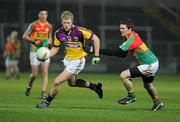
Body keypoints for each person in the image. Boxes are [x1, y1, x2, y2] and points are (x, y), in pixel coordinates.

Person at [36, 10, 103, 109]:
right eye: (64, 22)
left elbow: (96, 39)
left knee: (57, 81)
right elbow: (55, 49)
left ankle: (46, 102)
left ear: (72, 22)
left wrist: (96, 55)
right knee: (72, 83)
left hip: (78, 61)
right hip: (67, 59)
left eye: (68, 23)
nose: (66, 25)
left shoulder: (80, 31)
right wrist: (46, 55)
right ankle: (95, 87)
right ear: (61, 22)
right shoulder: (58, 33)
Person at [100, 18, 163, 111]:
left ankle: (131, 96)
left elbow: (113, 51)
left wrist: (95, 50)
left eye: (123, 28)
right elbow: (123, 54)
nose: (120, 30)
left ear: (130, 29)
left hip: (149, 64)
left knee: (123, 75)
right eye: (120, 28)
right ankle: (157, 102)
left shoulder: (131, 40)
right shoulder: (130, 36)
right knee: (147, 85)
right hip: (152, 62)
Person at [23, 9, 52, 99]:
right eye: (42, 14)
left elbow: (49, 37)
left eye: (45, 14)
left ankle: (43, 92)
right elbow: (24, 36)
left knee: (45, 71)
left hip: (44, 51)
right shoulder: (33, 24)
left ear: (47, 15)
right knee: (35, 74)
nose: (43, 16)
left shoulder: (49, 26)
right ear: (38, 15)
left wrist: (49, 44)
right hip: (34, 51)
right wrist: (34, 41)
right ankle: (29, 85)